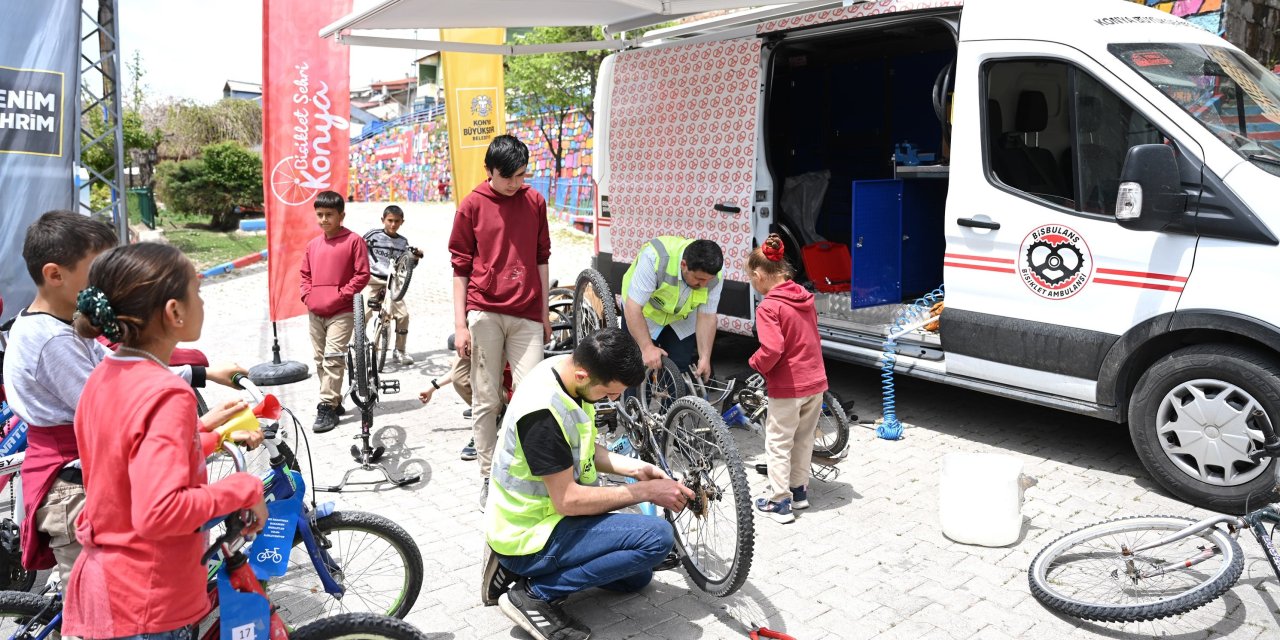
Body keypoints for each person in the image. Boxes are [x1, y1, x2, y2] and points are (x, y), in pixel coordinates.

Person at [1, 211, 248, 585]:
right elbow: (116, 408)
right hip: (74, 486)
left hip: (89, 472)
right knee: (93, 601)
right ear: (55, 275)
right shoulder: (51, 340)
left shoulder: (62, 328)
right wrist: (201, 433)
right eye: (99, 272)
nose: (109, 285)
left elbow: (124, 372)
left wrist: (203, 374)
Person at [62, 242, 267, 639]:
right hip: (146, 602)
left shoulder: (104, 375)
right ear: (174, 312)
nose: (203, 300)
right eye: (197, 290)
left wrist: (206, 438)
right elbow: (160, 512)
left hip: (106, 586)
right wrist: (244, 487)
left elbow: (125, 464)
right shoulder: (166, 393)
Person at [482, 328, 694, 640]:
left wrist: (638, 468)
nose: (614, 400)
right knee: (656, 539)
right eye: (609, 393)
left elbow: (587, 450)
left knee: (637, 576)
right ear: (583, 375)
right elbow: (567, 500)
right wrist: (645, 492)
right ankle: (533, 594)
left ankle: (532, 571)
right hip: (530, 533)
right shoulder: (542, 413)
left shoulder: (565, 375)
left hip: (553, 520)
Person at [449, 134, 552, 508]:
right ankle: (490, 476)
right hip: (484, 311)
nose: (516, 184)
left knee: (532, 397)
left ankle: (527, 470)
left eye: (522, 176)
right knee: (486, 399)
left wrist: (543, 313)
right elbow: (459, 267)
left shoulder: (534, 201)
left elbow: (542, 256)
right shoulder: (472, 205)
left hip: (526, 313)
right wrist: (461, 324)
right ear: (489, 171)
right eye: (508, 177)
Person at [747, 234, 828, 523]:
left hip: (788, 386)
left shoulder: (769, 307)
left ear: (758, 275)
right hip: (816, 381)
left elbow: (772, 348)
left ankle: (780, 502)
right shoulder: (804, 298)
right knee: (804, 439)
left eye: (752, 280)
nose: (755, 286)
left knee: (778, 442)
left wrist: (755, 363)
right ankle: (799, 491)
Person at [301, 190, 370, 433]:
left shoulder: (354, 241)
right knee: (319, 359)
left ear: (341, 215)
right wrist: (307, 296)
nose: (323, 219)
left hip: (342, 311)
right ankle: (334, 399)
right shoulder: (312, 245)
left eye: (329, 214)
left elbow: (362, 275)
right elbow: (305, 275)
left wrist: (340, 295)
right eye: (319, 214)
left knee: (333, 356)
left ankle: (327, 406)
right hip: (315, 311)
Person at [620, 236, 724, 379]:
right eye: (699, 279)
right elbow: (633, 308)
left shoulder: (715, 272)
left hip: (681, 317)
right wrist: (647, 348)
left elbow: (707, 316)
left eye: (708, 280)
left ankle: (674, 401)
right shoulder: (655, 258)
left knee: (679, 368)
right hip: (644, 312)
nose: (704, 284)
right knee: (637, 367)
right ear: (683, 265)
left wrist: (704, 358)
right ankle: (633, 400)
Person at [418, 333, 513, 461]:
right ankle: (489, 414)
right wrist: (431, 388)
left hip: (508, 393)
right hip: (492, 388)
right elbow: (457, 374)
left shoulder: (498, 341)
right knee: (466, 376)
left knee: (477, 382)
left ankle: (489, 422)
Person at [363, 204, 422, 366]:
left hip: (393, 284)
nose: (393, 224)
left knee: (403, 315)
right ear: (383, 220)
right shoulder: (372, 235)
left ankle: (400, 350)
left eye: (397, 221)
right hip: (374, 280)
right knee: (363, 313)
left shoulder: (403, 242)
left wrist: (415, 258)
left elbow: (407, 267)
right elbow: (357, 249)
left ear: (402, 222)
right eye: (389, 220)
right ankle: (360, 348)